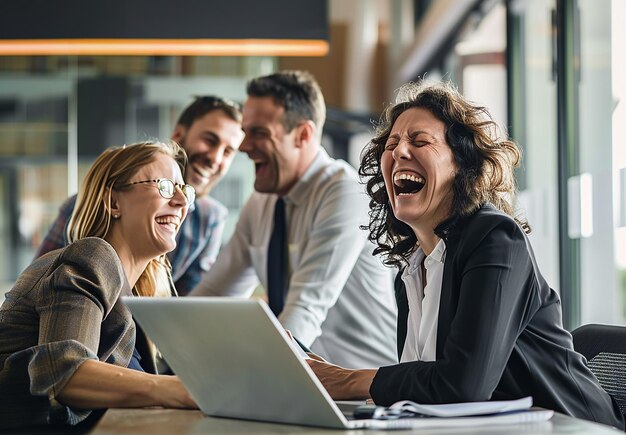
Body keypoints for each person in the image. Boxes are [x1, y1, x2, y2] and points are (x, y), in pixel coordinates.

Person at [306, 81, 625, 430]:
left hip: (576, 429)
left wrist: (346, 380)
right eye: (392, 144)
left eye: (419, 141)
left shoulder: (496, 238)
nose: (397, 152)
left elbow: (463, 386)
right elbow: (423, 392)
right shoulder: (411, 272)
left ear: (463, 162)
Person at [190, 71, 397, 369]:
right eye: (245, 132)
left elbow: (305, 311)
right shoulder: (262, 201)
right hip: (306, 382)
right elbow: (212, 297)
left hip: (365, 395)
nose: (244, 146)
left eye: (259, 133)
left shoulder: (345, 193)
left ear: (303, 135)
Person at [0, 141, 198, 431]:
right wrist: (179, 390)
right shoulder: (92, 255)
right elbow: (63, 371)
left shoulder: (137, 292)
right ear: (114, 202)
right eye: (166, 186)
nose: (182, 202)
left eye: (185, 190)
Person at [35, 96, 245, 296]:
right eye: (209, 140)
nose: (215, 158)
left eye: (228, 152)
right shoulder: (89, 207)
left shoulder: (211, 218)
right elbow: (37, 285)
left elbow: (189, 304)